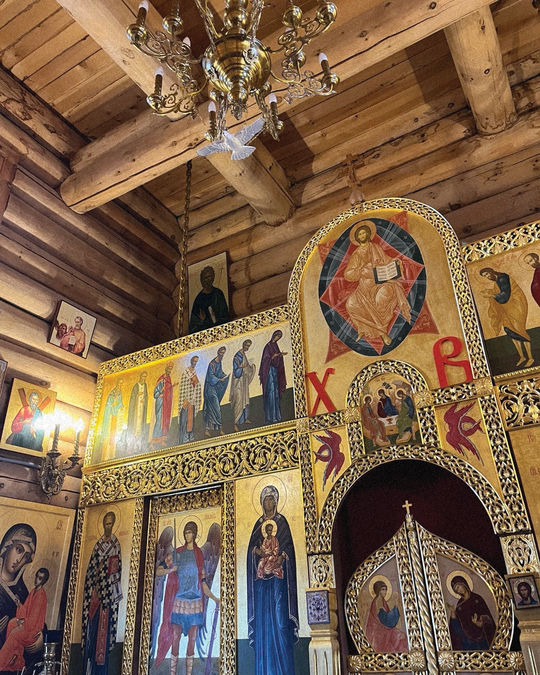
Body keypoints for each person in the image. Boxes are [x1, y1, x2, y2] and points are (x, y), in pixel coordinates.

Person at [155, 522, 220, 675]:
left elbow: (203, 582)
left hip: (195, 603)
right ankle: (173, 673)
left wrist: (214, 598)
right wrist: (171, 570)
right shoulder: (177, 554)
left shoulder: (199, 555)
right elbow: (158, 571)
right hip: (179, 601)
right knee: (175, 638)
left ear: (195, 534)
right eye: (185, 532)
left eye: (190, 532)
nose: (187, 535)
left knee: (192, 640)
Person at [247, 485, 299, 675]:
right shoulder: (257, 526)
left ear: (276, 502)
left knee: (280, 620)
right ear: (262, 503)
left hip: (279, 580)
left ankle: (284, 670)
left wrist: (282, 557)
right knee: (263, 624)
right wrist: (256, 552)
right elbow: (250, 552)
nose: (268, 502)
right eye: (265, 499)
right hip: (262, 583)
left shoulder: (282, 523)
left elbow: (289, 548)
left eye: (271, 499)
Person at [343, 221, 411, 345]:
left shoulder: (376, 247)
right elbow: (348, 274)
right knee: (351, 304)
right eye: (360, 234)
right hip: (365, 286)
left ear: (368, 234)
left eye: (364, 233)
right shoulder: (356, 254)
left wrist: (395, 262)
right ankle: (366, 330)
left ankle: (382, 331)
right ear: (357, 238)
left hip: (382, 281)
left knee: (381, 298)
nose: (362, 235)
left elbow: (386, 260)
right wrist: (361, 270)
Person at [81, 511, 122, 675]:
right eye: (106, 523)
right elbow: (91, 569)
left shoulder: (115, 544)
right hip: (95, 596)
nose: (108, 526)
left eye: (110, 523)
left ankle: (101, 670)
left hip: (107, 598)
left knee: (103, 633)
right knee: (92, 630)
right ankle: (89, 666)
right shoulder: (97, 545)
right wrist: (94, 584)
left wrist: (106, 583)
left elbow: (116, 570)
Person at [479, 267, 533, 368]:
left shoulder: (502, 278)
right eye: (485, 276)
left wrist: (491, 295)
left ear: (491, 271)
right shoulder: (497, 282)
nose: (487, 276)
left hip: (516, 306)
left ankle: (530, 358)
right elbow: (500, 292)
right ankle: (522, 356)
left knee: (519, 330)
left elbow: (504, 296)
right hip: (506, 308)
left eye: (486, 274)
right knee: (510, 330)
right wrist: (490, 292)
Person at [0, 567, 49, 671]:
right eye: (37, 576)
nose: (37, 580)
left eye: (40, 578)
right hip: (27, 623)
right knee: (11, 623)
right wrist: (19, 604)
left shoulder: (41, 595)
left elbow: (34, 619)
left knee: (14, 634)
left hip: (33, 630)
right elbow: (25, 609)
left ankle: (2, 662)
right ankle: (15, 657)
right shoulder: (33, 591)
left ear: (44, 581)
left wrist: (22, 622)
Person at [0, 524, 37, 656]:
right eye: (19, 550)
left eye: (26, 556)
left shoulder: (22, 594)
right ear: (7, 546)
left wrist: (38, 638)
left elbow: (31, 624)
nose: (19, 559)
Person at [447, 575, 495, 650]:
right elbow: (456, 626)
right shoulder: (459, 605)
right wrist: (453, 613)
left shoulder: (477, 598)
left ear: (463, 583)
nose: (458, 590)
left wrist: (480, 622)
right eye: (456, 590)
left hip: (481, 638)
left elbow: (488, 617)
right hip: (467, 641)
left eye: (458, 587)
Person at [151, 527, 177, 660]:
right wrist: (171, 570)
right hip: (169, 593)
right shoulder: (171, 554)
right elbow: (158, 571)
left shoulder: (188, 555)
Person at [365, 579, 408, 653]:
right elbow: (385, 619)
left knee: (402, 636)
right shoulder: (378, 601)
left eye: (386, 589)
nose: (385, 592)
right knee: (400, 637)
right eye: (383, 589)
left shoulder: (383, 601)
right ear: (378, 591)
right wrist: (396, 609)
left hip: (386, 628)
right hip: (380, 630)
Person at [189, 266, 229, 334]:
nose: (207, 280)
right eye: (205, 277)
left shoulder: (218, 294)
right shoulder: (198, 299)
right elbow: (193, 326)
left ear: (213, 278)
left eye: (209, 277)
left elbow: (225, 316)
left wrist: (214, 318)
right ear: (201, 280)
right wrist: (203, 321)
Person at [259, 331, 287, 425]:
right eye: (277, 336)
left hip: (274, 371)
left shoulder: (275, 346)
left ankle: (277, 416)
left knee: (275, 393)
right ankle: (270, 417)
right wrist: (273, 356)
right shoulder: (268, 346)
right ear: (273, 336)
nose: (277, 338)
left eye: (279, 337)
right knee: (271, 393)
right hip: (269, 372)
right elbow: (265, 360)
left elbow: (277, 360)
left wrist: (279, 355)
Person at [230, 340, 256, 431]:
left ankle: (245, 418)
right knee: (238, 401)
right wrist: (241, 367)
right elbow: (236, 372)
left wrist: (252, 368)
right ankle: (236, 423)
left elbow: (246, 368)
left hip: (244, 383)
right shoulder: (237, 357)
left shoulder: (244, 355)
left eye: (249, 346)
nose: (247, 348)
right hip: (238, 383)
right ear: (243, 345)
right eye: (246, 345)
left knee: (245, 400)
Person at [203, 347, 229, 437]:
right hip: (210, 389)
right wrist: (219, 379)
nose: (222, 355)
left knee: (211, 409)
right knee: (216, 409)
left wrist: (225, 376)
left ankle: (208, 430)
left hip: (215, 388)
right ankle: (220, 429)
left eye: (223, 353)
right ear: (218, 352)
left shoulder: (219, 363)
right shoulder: (212, 364)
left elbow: (220, 372)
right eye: (221, 353)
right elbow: (210, 377)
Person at [96, 380, 124, 462]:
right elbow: (108, 405)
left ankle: (112, 455)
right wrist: (112, 405)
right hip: (110, 417)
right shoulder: (111, 394)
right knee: (108, 435)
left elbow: (120, 403)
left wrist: (120, 406)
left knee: (114, 435)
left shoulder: (119, 394)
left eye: (121, 384)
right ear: (117, 384)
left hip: (115, 416)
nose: (120, 385)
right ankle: (105, 456)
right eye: (119, 383)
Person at [178, 356, 202, 444]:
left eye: (196, 362)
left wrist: (194, 383)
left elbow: (197, 384)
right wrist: (191, 382)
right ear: (191, 361)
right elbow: (183, 386)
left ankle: (190, 436)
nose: (195, 363)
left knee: (191, 420)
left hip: (192, 400)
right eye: (194, 361)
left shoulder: (194, 372)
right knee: (184, 420)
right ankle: (184, 438)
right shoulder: (186, 372)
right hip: (186, 401)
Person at [153, 363, 175, 448]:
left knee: (165, 420)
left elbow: (168, 390)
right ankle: (155, 439)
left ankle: (162, 439)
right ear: (166, 369)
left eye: (171, 369)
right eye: (169, 368)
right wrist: (160, 392)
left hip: (166, 403)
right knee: (159, 420)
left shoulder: (168, 379)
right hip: (161, 402)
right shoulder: (161, 380)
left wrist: (171, 387)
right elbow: (155, 394)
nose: (170, 370)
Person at [127, 371, 148, 451]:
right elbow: (132, 397)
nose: (144, 378)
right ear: (140, 377)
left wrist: (144, 399)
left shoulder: (145, 385)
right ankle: (132, 445)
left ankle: (139, 446)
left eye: (145, 377)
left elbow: (146, 396)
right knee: (135, 426)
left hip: (141, 409)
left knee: (140, 426)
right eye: (143, 376)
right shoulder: (136, 386)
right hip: (136, 409)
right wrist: (137, 396)